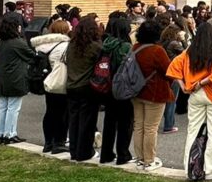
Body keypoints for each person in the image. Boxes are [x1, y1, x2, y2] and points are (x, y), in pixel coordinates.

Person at [168, 21, 212, 180]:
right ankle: (210, 169)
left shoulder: (190, 51)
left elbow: (174, 66)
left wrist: (184, 86)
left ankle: (189, 166)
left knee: (193, 131)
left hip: (195, 94)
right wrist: (201, 83)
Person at [128, 20, 173, 171]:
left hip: (137, 91)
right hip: (155, 92)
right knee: (150, 128)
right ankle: (149, 160)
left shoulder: (135, 48)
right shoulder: (157, 51)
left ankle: (140, 158)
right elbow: (169, 71)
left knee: (139, 125)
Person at [64, 17, 104, 161]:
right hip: (87, 87)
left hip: (71, 85)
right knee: (87, 122)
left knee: (74, 120)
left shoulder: (71, 45)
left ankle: (74, 150)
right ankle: (84, 151)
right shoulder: (95, 46)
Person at [32, 19, 72, 153]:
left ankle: (48, 142)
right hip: (60, 81)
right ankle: (59, 142)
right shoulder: (65, 46)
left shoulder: (41, 45)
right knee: (62, 114)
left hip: (47, 80)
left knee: (50, 112)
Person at [0, 16, 34, 145]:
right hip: (16, 78)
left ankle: (0, 134)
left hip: (2, 78)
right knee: (13, 108)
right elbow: (31, 55)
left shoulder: (0, 42)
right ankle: (10, 134)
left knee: (2, 106)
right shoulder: (18, 42)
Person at [99, 15, 134, 165]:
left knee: (109, 121)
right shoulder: (126, 46)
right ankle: (123, 153)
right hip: (122, 87)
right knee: (125, 123)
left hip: (106, 85)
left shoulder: (105, 44)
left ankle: (106, 153)